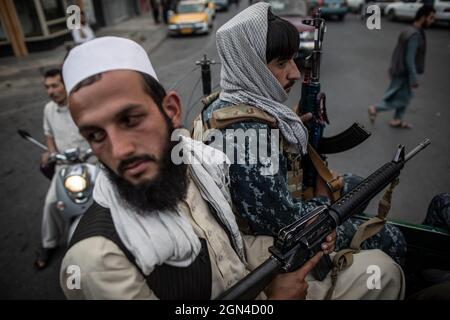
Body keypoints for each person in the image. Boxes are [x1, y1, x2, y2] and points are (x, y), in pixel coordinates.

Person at [59, 36, 404, 300]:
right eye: (95, 134)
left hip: (257, 284)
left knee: (382, 271)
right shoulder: (97, 258)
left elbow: (229, 248)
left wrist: (305, 241)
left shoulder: (194, 166)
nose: (119, 150)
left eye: (130, 119)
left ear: (171, 110)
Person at [199, 2, 407, 265]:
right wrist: (323, 196)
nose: (295, 73)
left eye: (294, 60)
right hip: (283, 244)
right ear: (248, 65)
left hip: (280, 211)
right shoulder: (251, 136)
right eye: (282, 63)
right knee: (393, 237)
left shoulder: (223, 102)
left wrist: (285, 126)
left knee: (356, 185)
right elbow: (287, 223)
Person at [35, 69, 91, 269]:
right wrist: (51, 153)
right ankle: (48, 244)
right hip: (64, 166)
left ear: (66, 85)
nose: (50, 91)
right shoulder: (48, 109)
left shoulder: (82, 104)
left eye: (55, 86)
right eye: (47, 87)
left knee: (105, 199)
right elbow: (49, 136)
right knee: (51, 204)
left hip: (90, 163)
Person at [368, 6, 435, 129]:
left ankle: (397, 120)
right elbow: (409, 59)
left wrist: (392, 68)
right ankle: (375, 108)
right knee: (403, 98)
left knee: (404, 96)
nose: (432, 21)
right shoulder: (415, 35)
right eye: (431, 18)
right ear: (423, 17)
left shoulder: (408, 29)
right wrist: (414, 78)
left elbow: (398, 51)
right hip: (405, 72)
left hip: (399, 69)